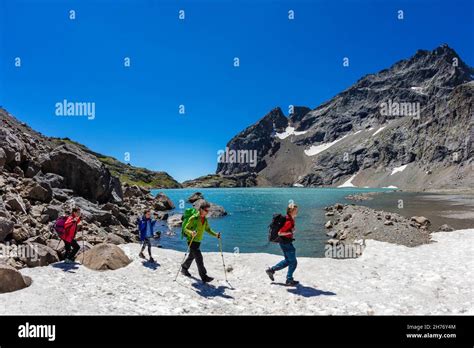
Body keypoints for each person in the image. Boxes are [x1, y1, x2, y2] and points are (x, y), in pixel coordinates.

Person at [180, 201, 221, 283]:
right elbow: (185, 228)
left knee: (192, 256)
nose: (207, 212)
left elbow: (208, 229)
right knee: (199, 258)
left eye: (208, 211)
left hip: (198, 241)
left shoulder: (204, 220)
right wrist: (191, 232)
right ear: (201, 209)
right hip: (191, 241)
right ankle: (204, 276)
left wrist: (215, 234)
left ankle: (184, 268)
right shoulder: (194, 218)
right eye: (206, 210)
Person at [265, 203, 299, 286]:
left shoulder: (289, 219)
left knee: (288, 260)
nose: (297, 212)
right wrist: (291, 231)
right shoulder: (288, 221)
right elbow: (280, 233)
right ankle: (289, 279)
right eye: (295, 210)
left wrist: (291, 230)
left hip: (284, 242)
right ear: (291, 211)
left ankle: (271, 270)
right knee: (293, 262)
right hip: (286, 243)